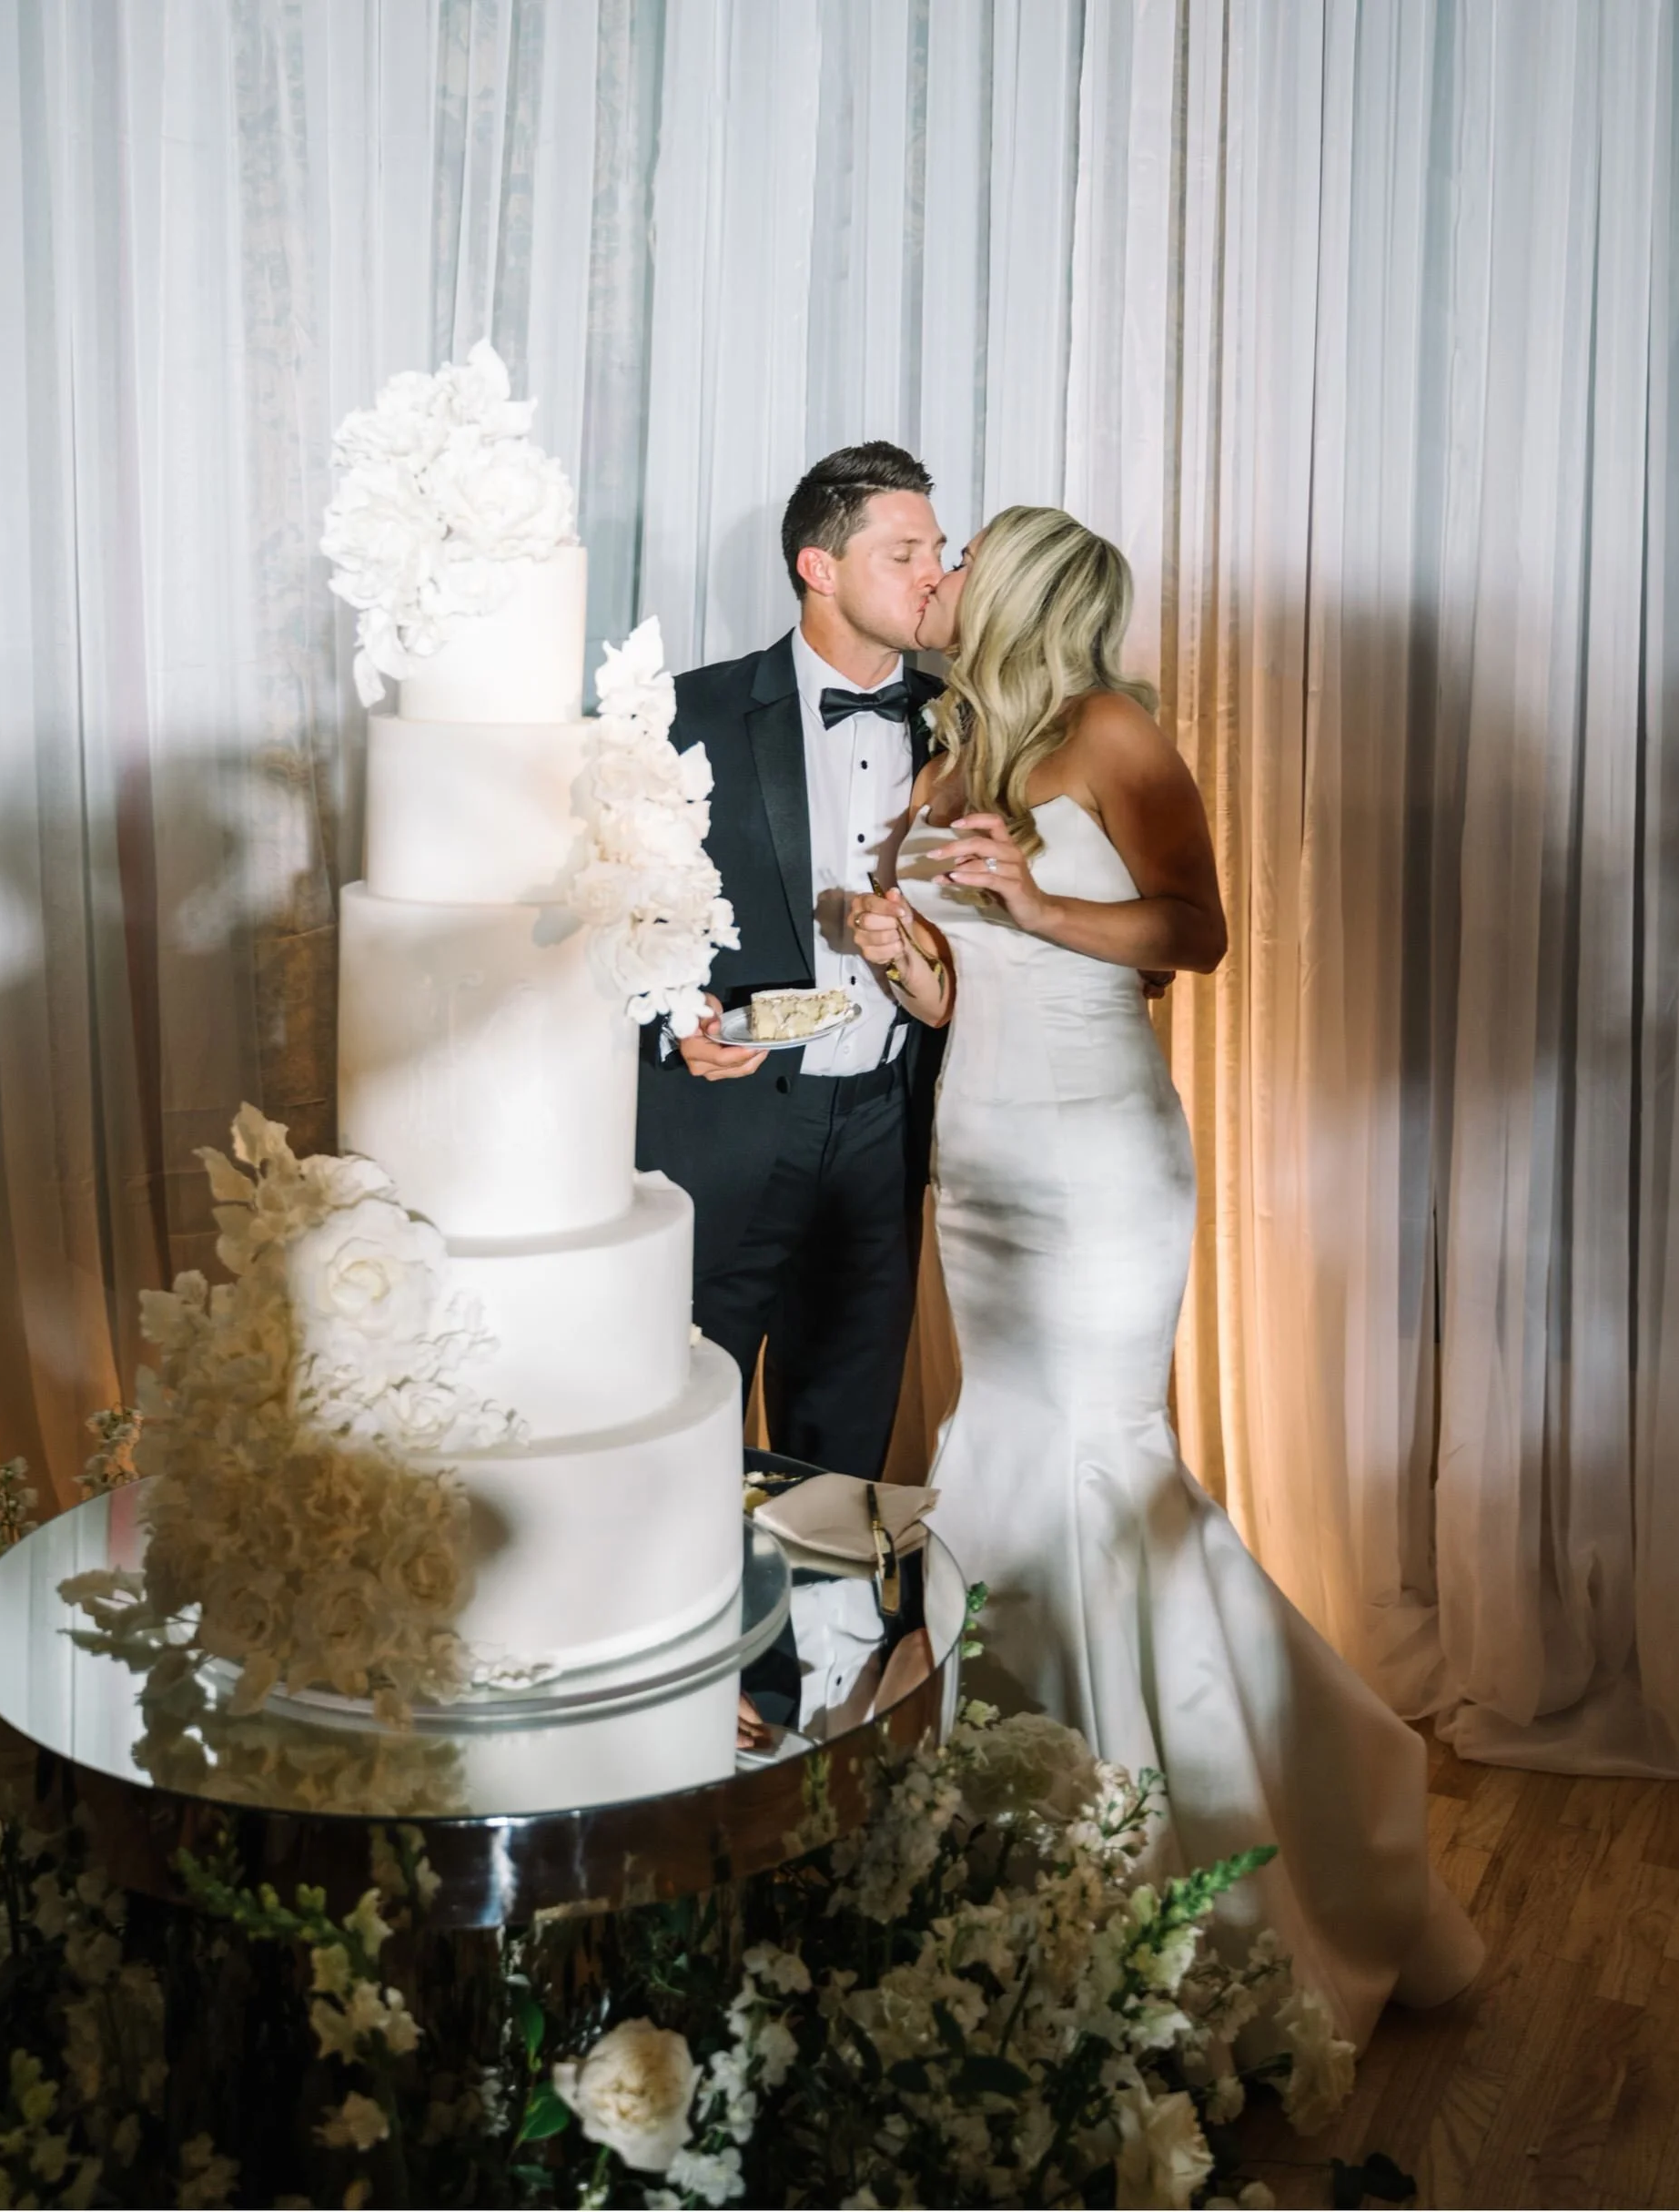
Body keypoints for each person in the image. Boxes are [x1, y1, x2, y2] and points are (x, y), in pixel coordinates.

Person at [847, 504, 1483, 2045]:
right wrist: (899, 955)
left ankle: (1193, 1874)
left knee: (1090, 1479)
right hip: (980, 1157)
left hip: (1096, 1167)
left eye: (964, 551)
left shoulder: (1109, 731)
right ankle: (1025, 1873)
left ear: (1021, 591)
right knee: (998, 1479)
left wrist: (1030, 902)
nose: (938, 574)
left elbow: (1191, 936)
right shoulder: (947, 761)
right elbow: (960, 991)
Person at [633, 443, 949, 1481]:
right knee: (679, 1437)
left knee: (845, 1452)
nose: (934, 575)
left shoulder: (972, 724)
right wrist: (670, 1021)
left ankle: (828, 1645)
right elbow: (604, 914)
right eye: (904, 553)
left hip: (886, 1129)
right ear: (820, 567)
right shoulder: (686, 716)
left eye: (937, 551)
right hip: (723, 1132)